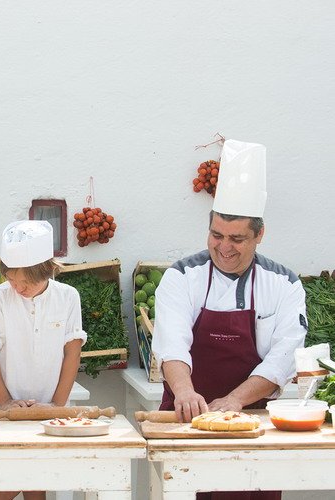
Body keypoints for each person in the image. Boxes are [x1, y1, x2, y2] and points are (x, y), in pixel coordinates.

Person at [152, 139, 306, 500]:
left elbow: (285, 355)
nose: (224, 247)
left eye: (237, 239)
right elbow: (172, 343)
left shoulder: (284, 283)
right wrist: (186, 392)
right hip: (186, 416)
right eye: (216, 235)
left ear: (259, 235)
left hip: (253, 423)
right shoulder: (181, 277)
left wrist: (236, 401)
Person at [0, 220, 86, 500]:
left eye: (27, 282)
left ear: (47, 272)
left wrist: (57, 406)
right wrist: (6, 402)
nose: (18, 288)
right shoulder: (0, 297)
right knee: (9, 480)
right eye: (12, 280)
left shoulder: (68, 297)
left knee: (37, 482)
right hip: (4, 406)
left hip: (50, 405)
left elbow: (72, 353)